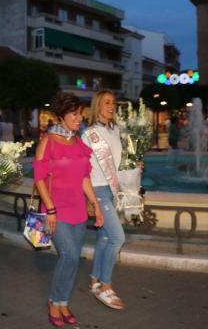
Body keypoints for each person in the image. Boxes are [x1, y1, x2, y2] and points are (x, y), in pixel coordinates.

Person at [33, 92, 104, 327]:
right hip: (57, 209)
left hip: (78, 210)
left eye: (80, 114)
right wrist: (50, 209)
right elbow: (39, 178)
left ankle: (63, 301)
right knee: (69, 255)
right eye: (74, 114)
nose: (79, 119)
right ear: (61, 116)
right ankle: (54, 301)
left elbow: (84, 177)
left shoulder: (78, 141)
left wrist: (95, 204)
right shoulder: (49, 141)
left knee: (74, 259)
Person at [81, 90, 126, 309]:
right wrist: (91, 201)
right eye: (106, 103)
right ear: (97, 106)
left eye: (113, 103)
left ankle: (94, 280)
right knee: (118, 238)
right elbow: (83, 171)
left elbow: (116, 163)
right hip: (97, 190)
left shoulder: (115, 130)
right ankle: (106, 285)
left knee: (105, 239)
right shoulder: (89, 134)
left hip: (111, 189)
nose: (111, 106)